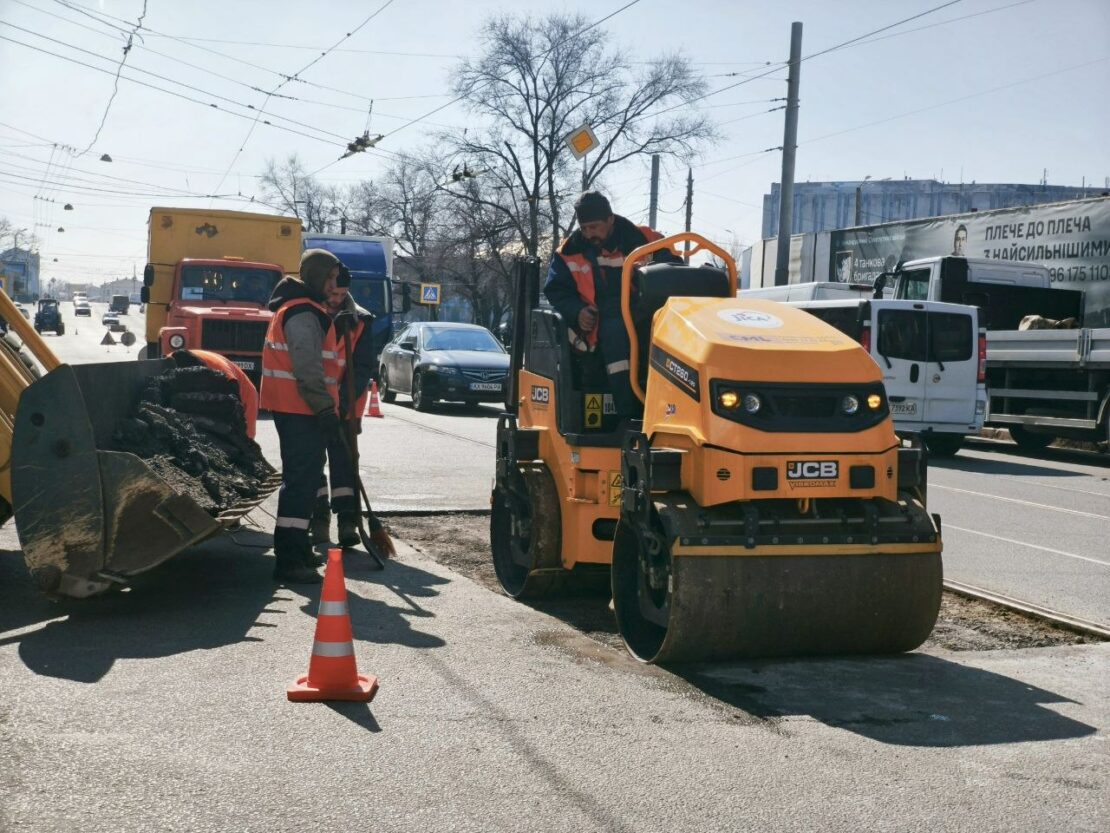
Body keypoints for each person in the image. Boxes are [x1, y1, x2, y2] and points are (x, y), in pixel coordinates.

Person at [543, 191, 679, 417]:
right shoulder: (568, 253)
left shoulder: (646, 240)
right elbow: (557, 290)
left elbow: (674, 270)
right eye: (584, 228)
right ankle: (631, 415)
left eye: (594, 227)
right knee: (615, 332)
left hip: (646, 314)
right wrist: (578, 312)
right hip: (600, 323)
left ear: (610, 219)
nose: (588, 234)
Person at [258, 249, 344, 584]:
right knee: (299, 483)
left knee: (306, 480)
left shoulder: (304, 310)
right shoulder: (303, 314)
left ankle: (297, 547)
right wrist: (324, 409)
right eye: (332, 278)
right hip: (301, 409)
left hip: (299, 408)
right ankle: (290, 559)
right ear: (318, 277)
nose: (336, 284)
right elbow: (308, 368)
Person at [309, 278, 395, 556]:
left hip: (346, 406)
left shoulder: (361, 320)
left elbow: (362, 366)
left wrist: (343, 403)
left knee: (345, 461)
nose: (336, 298)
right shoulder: (310, 315)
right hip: (311, 402)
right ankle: (319, 520)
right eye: (331, 293)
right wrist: (323, 402)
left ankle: (348, 522)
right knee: (312, 461)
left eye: (341, 293)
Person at [170, 348, 258, 439]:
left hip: (245, 395)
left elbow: (232, 409)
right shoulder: (168, 365)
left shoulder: (224, 379)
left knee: (242, 441)